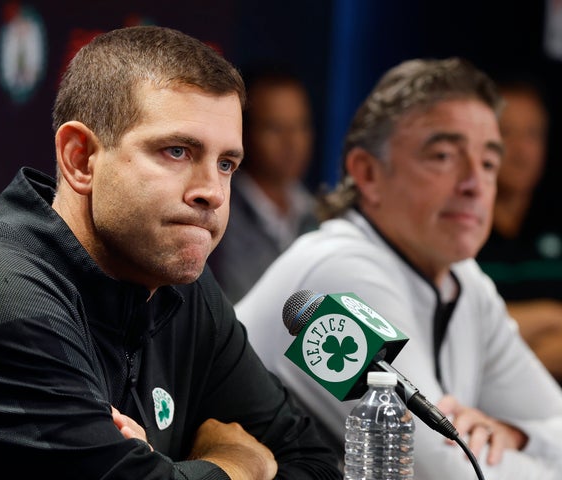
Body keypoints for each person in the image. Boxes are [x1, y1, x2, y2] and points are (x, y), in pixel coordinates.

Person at [0, 26, 342, 480]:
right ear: (80, 159)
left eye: (227, 163)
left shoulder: (182, 290)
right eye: (177, 151)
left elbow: (316, 463)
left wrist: (170, 471)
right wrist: (240, 462)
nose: (211, 190)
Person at [236, 57, 562, 479]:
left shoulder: (463, 279)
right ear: (367, 173)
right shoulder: (338, 273)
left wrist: (517, 436)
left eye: (488, 163)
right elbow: (439, 476)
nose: (474, 184)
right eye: (444, 155)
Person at [207, 64, 319, 303]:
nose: (292, 142)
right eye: (275, 128)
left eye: (301, 126)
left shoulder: (323, 214)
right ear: (243, 132)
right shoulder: (217, 211)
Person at [476, 78, 562, 383]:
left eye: (533, 134)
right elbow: (463, 332)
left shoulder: (555, 224)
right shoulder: (461, 229)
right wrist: (550, 315)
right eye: (507, 132)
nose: (521, 150)